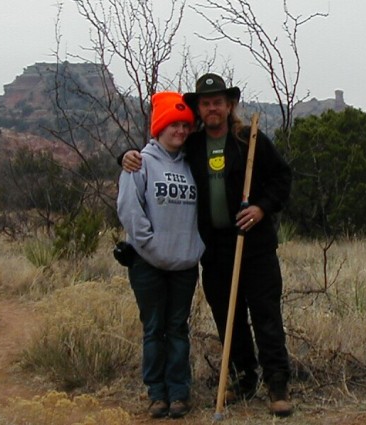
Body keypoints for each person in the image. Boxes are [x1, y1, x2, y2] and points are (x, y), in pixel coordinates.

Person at [121, 74, 293, 416]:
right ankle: (244, 378)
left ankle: (277, 384)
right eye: (206, 103)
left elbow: (282, 178)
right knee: (227, 315)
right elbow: (158, 153)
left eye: (218, 102)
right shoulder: (193, 145)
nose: (212, 108)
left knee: (265, 312)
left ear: (229, 106)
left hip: (253, 243)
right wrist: (124, 158)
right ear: (199, 109)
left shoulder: (250, 139)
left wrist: (261, 208)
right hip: (214, 248)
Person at [117, 92, 205, 419]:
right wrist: (150, 246)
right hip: (147, 263)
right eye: (173, 125)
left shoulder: (192, 165)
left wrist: (195, 248)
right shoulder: (140, 163)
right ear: (160, 127)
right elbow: (129, 210)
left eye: (185, 125)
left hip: (184, 263)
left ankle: (179, 392)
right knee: (154, 329)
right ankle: (157, 394)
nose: (180, 131)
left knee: (178, 328)